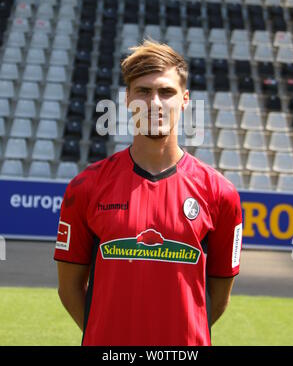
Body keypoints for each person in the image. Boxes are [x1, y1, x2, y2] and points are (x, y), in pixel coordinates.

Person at [54, 38, 243, 346]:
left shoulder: (220, 193)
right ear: (128, 98)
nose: (154, 102)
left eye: (166, 91)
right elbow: (69, 289)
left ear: (184, 99)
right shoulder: (86, 187)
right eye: (143, 91)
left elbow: (218, 296)